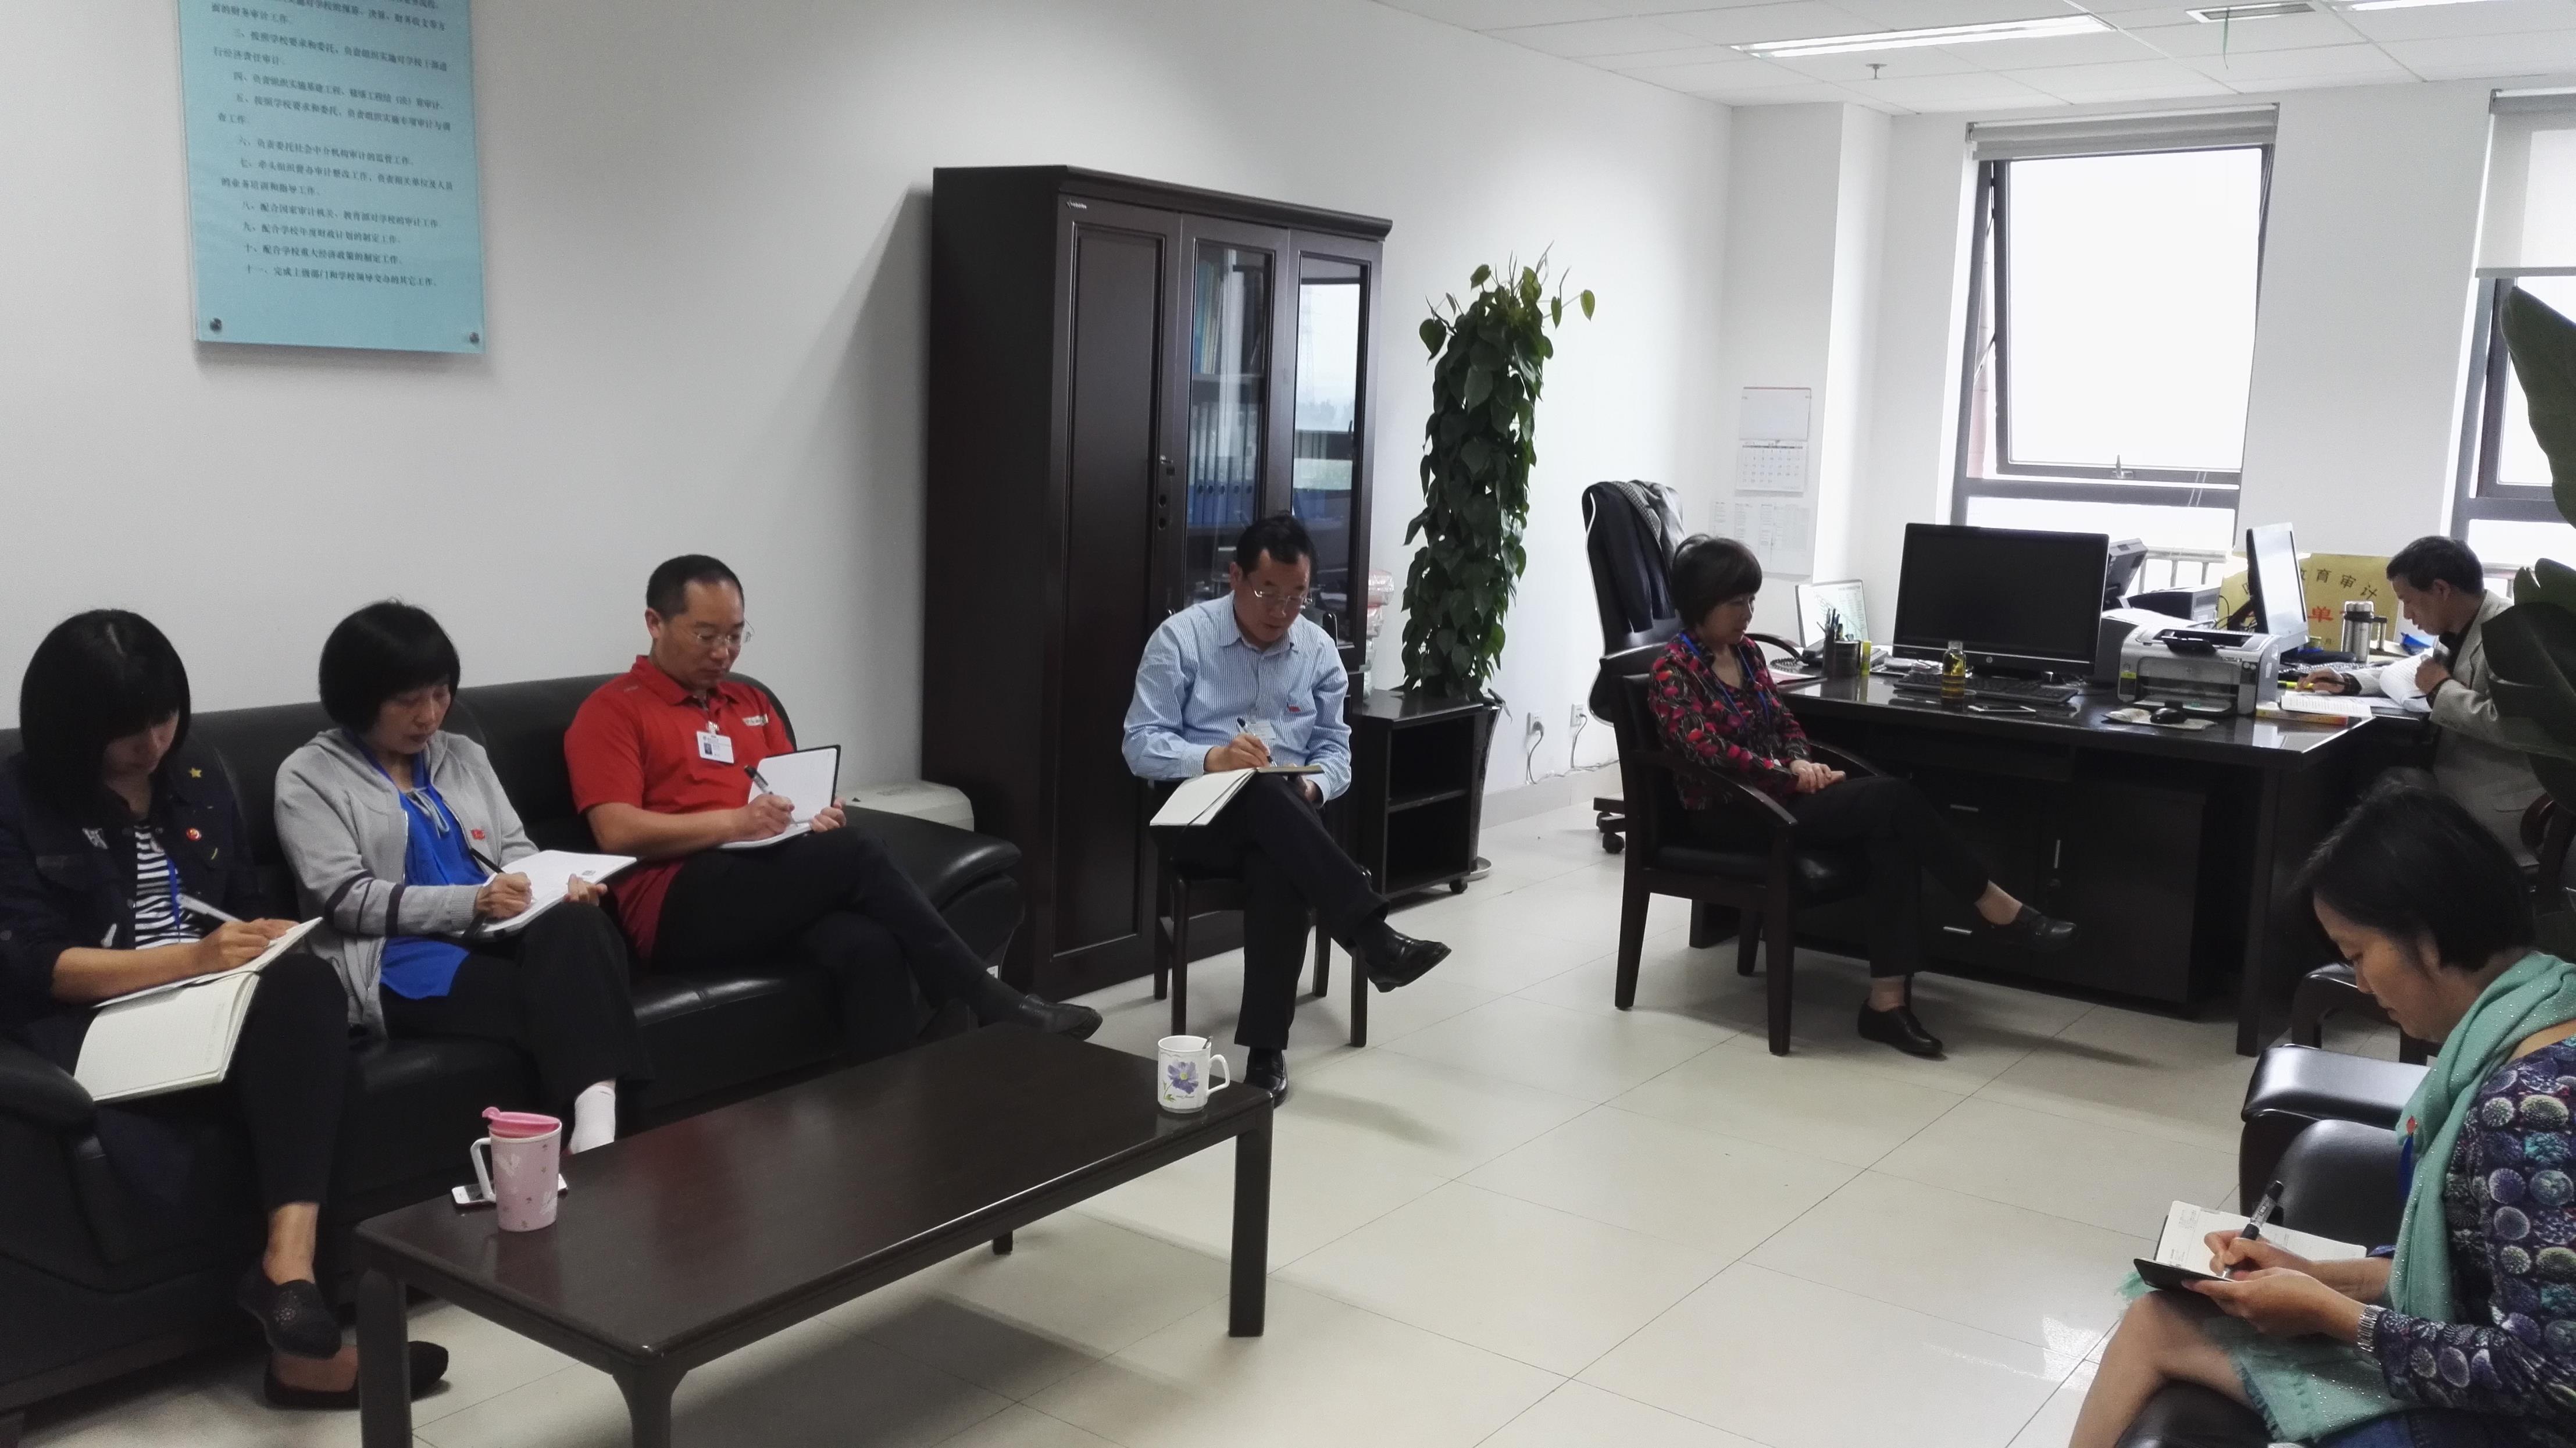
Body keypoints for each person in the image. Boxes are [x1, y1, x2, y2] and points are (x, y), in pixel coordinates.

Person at [0, 612, 447, 1410]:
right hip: (95, 1022)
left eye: (165, 718)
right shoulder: (17, 800)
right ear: (71, 728)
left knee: (307, 990)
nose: (154, 744)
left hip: (207, 1005)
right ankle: (300, 1346)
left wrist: (260, 941)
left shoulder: (197, 774)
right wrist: (194, 961)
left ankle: (289, 1273)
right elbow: (38, 966)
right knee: (309, 1062)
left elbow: (237, 902)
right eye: (129, 731)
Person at [2074, 777, 2576, 1448]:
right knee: (2159, 1319)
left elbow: (2549, 1378)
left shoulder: (2527, 1106)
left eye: (2357, 955)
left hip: (2522, 1427)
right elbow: (2476, 1273)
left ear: (2425, 935)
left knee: (2158, 1328)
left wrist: (2336, 1317)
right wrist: (2313, 1276)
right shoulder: (2545, 1008)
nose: (2360, 984)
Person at [565, 555, 1101, 1058]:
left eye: (735, 636)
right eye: (706, 636)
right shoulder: (613, 711)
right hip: (677, 905)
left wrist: (812, 817)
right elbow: (616, 831)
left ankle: (893, 1109)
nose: (723, 653)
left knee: (869, 945)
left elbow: (785, 795)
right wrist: (736, 822)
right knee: (858, 850)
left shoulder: (749, 701)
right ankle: (988, 996)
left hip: (764, 881)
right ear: (655, 623)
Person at [1647, 536, 2075, 1058]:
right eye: (1736, 602)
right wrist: (1789, 774)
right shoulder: (1673, 670)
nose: (1748, 613)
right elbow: (1707, 752)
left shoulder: (1748, 653)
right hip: (1729, 812)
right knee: (1893, 801)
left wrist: (1800, 761)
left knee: (1890, 832)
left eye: (1751, 600)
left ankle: (1886, 1007)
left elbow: (1784, 722)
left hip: (1777, 798)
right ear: (1700, 602)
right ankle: (1996, 907)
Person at [274, 602, 651, 1155]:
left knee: (582, 927)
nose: (430, 716)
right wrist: (472, 902)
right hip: (398, 958)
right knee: (567, 994)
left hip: (497, 933)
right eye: (408, 701)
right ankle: (602, 1137)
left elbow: (516, 850)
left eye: (441, 694)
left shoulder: (463, 755)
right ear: (358, 698)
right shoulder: (309, 776)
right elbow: (346, 898)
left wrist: (560, 888)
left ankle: (596, 1131)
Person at [1122, 514, 1451, 1102]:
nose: (1281, 611)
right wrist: (1213, 758)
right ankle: (1371, 936)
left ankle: (1266, 1053)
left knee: (1277, 853)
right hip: (1195, 820)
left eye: (1296, 597)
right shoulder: (1180, 639)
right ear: (1234, 577)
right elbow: (1139, 744)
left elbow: (1335, 752)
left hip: (1283, 823)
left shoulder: (1317, 650)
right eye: (1266, 594)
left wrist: (1313, 790)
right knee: (1257, 788)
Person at [2303, 536, 2541, 858]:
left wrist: (2441, 690)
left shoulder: (2510, 635)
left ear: (2441, 590)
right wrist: (2350, 682)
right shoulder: (2460, 624)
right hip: (2456, 776)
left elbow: (2516, 727)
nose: (2408, 614)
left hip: (2497, 808)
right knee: (2375, 778)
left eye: (2409, 601)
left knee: (2377, 795)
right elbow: (2421, 670)